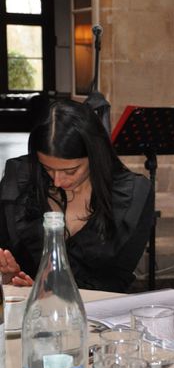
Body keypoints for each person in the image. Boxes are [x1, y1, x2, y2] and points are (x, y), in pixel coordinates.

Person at [0, 99, 154, 293]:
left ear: (95, 156)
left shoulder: (131, 196)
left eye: (71, 171)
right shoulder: (19, 181)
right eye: (48, 169)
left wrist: (51, 291)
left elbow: (117, 279)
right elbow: (9, 259)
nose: (57, 181)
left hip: (99, 311)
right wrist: (10, 275)